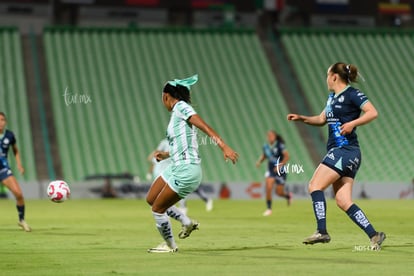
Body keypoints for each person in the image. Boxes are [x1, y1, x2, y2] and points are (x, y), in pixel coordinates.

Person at [287, 62, 385, 250]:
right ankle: (374, 235)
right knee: (343, 201)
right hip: (349, 154)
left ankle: (321, 231)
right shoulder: (332, 98)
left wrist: (352, 124)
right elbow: (322, 119)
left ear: (334, 77)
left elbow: (372, 112)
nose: (326, 79)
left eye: (327, 75)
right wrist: (302, 118)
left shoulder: (352, 94)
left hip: (344, 150)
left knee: (315, 185)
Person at [146, 75, 238, 253]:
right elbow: (184, 143)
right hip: (176, 166)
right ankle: (187, 222)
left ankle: (170, 246)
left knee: (158, 209)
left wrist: (224, 146)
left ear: (166, 96)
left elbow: (204, 126)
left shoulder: (181, 107)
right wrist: (166, 154)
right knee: (151, 199)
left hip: (186, 170)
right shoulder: (176, 114)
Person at [0, 112, 31, 232]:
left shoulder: (9, 135)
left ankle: (22, 220)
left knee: (18, 194)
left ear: (5, 122)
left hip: (3, 169)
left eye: (2, 120)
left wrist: (19, 164)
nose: (0, 122)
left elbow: (15, 150)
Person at [256, 130, 292, 216]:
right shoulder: (266, 146)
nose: (270, 137)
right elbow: (265, 155)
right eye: (268, 135)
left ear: (275, 136)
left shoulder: (280, 145)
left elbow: (287, 156)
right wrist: (259, 161)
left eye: (271, 135)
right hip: (271, 170)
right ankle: (269, 209)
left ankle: (287, 196)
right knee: (268, 187)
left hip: (281, 171)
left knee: (278, 192)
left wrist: (279, 165)